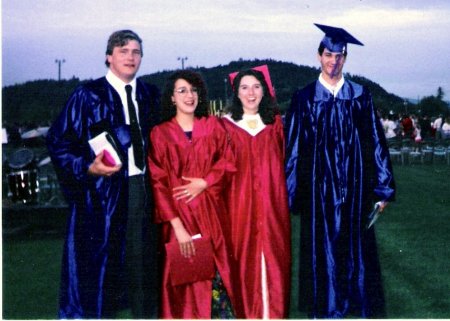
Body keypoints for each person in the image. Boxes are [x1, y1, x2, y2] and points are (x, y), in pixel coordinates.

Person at [46, 30, 160, 319]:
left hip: (145, 190)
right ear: (109, 57)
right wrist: (87, 166)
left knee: (145, 269)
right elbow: (59, 142)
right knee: (101, 272)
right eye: (123, 51)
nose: (131, 57)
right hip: (103, 195)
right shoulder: (87, 95)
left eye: (136, 52)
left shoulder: (151, 95)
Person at [285, 23, 395, 318]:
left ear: (346, 58)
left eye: (340, 55)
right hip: (318, 193)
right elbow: (294, 149)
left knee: (357, 249)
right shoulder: (304, 98)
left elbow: (376, 143)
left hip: (356, 189)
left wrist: (383, 189)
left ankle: (357, 308)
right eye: (329, 54)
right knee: (323, 250)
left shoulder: (360, 95)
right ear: (319, 56)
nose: (334, 61)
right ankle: (327, 308)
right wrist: (291, 193)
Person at [147, 70, 236, 319]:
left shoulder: (214, 127)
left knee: (218, 283)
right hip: (179, 220)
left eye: (194, 90)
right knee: (185, 287)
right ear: (172, 98)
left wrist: (205, 182)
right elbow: (158, 182)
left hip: (212, 218)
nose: (189, 95)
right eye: (182, 90)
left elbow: (228, 162)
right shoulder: (160, 134)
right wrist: (177, 227)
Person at [221, 67, 291, 319]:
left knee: (275, 263)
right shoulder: (225, 127)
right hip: (239, 209)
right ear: (236, 93)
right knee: (243, 264)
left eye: (256, 86)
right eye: (244, 87)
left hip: (274, 208)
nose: (251, 93)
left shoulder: (276, 125)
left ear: (265, 91)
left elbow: (289, 164)